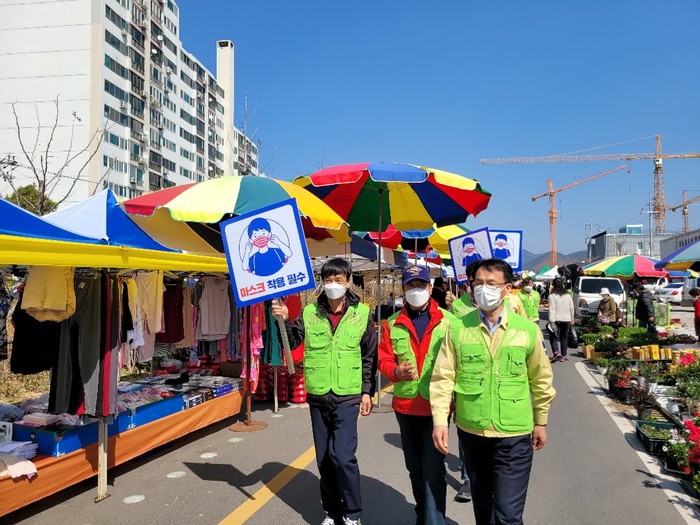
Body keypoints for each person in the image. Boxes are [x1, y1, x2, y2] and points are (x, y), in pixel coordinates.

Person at [430, 258, 556, 525]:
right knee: (483, 509)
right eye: (478, 283)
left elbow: (541, 380)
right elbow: (443, 377)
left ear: (507, 289)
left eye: (491, 283)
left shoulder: (527, 330)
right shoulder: (458, 328)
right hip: (472, 431)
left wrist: (541, 421)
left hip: (514, 433)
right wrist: (440, 421)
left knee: (508, 514)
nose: (482, 289)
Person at [271, 258, 377, 525]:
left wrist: (367, 391)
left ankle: (352, 514)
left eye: (338, 280)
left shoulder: (362, 313)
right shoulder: (309, 312)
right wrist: (283, 320)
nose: (333, 285)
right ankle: (331, 512)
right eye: (328, 280)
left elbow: (369, 356)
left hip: (347, 395)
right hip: (318, 395)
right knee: (325, 460)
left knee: (343, 456)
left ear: (348, 282)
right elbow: (292, 342)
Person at [378, 265, 454, 525]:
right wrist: (396, 372)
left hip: (437, 409)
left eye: (421, 285)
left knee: (433, 472)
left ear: (430, 288)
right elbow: (384, 359)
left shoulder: (449, 322)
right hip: (406, 408)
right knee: (415, 469)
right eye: (411, 285)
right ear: (403, 289)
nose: (416, 290)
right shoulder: (392, 323)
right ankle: (423, 515)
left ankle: (434, 521)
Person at [547, 278, 575, 362]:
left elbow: (552, 309)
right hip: (567, 319)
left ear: (553, 285)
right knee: (564, 338)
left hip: (556, 319)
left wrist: (551, 320)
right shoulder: (568, 296)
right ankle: (564, 355)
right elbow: (571, 308)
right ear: (563, 285)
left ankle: (556, 353)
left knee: (553, 336)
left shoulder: (552, 296)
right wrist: (572, 319)